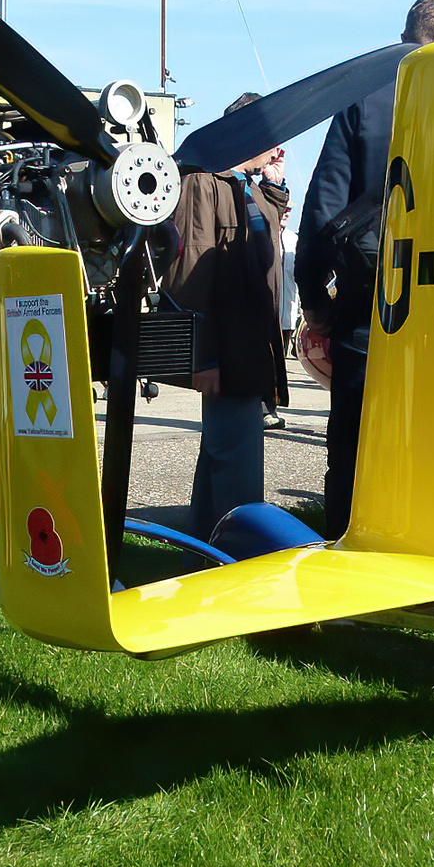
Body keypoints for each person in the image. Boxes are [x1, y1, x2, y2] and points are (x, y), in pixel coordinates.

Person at [295, 0, 434, 538]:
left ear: (404, 34)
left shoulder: (362, 98)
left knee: (352, 440)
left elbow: (323, 207)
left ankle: (347, 549)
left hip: (370, 300)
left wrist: (317, 303)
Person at [163, 92, 289, 547]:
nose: (279, 149)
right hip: (225, 348)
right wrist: (203, 356)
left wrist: (274, 187)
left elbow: (266, 249)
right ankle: (239, 563)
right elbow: (189, 272)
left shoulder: (244, 184)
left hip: (249, 345)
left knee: (222, 460)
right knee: (237, 470)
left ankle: (201, 558)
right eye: (271, 139)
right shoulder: (201, 182)